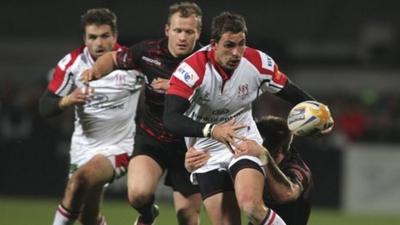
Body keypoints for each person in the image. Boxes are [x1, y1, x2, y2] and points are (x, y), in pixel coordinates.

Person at [163, 12, 333, 225]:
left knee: (252, 206)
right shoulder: (192, 70)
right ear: (213, 44)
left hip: (243, 142)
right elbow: (170, 118)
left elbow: (289, 91)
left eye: (241, 44)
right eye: (229, 45)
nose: (236, 53)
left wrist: (321, 111)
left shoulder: (257, 63)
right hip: (206, 153)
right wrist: (212, 130)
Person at [81, 2, 203, 225]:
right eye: (178, 30)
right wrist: (96, 71)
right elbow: (113, 58)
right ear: (167, 30)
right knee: (138, 195)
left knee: (187, 217)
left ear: (198, 33)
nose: (183, 37)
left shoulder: (206, 61)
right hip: (153, 137)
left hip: (190, 146)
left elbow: (221, 99)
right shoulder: (148, 52)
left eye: (189, 31)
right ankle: (148, 215)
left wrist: (179, 87)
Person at [39, 8, 143, 225]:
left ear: (115, 36)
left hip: (119, 147)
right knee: (89, 218)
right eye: (92, 37)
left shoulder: (133, 62)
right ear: (84, 39)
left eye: (105, 36)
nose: (99, 43)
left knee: (80, 180)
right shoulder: (72, 64)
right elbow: (45, 106)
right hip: (82, 148)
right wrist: (68, 99)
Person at [185, 116, 313, 225]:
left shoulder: (298, 169)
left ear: (279, 150)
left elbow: (286, 194)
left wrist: (263, 155)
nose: (250, 150)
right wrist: (195, 164)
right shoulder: (250, 151)